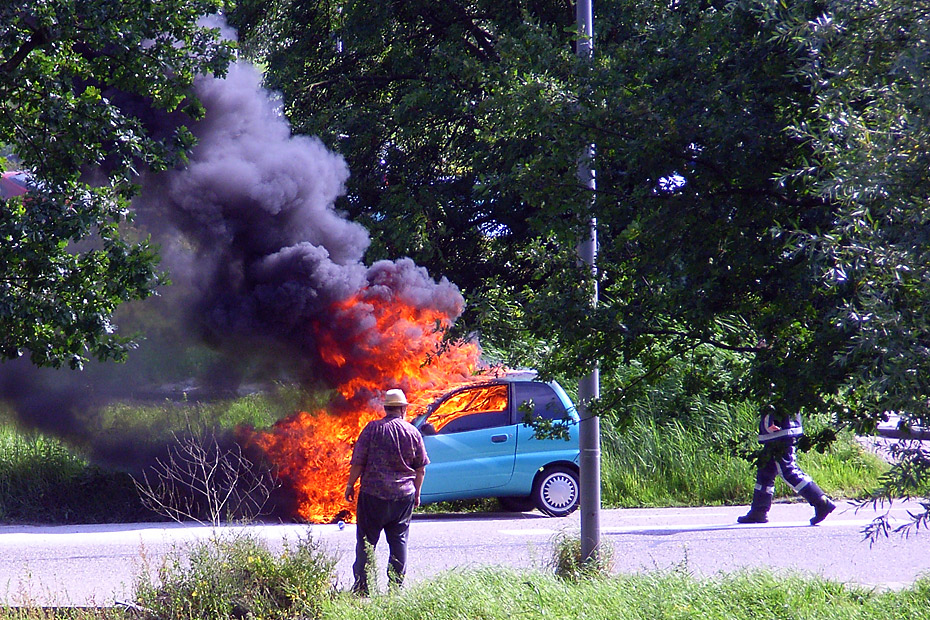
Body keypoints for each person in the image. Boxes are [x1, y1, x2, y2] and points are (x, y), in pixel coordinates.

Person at [344, 388, 429, 594]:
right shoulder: (412, 432)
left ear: (386, 408)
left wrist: (350, 485)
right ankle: (395, 589)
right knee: (399, 541)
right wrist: (417, 493)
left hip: (373, 496)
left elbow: (358, 462)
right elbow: (421, 469)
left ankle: (362, 589)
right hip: (403, 496)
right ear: (402, 409)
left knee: (366, 542)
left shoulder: (372, 429)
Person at [737, 407, 836, 525]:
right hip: (780, 431)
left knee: (788, 471)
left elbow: (776, 399)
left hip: (780, 431)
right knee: (766, 471)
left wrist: (772, 422)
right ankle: (759, 510)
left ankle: (821, 501)